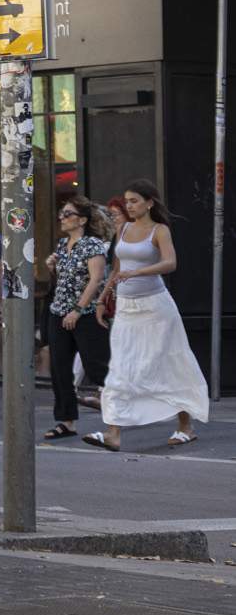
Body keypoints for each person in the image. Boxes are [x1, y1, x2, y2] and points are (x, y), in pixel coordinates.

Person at [89, 179, 208, 451]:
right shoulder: (123, 228)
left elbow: (170, 263)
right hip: (127, 308)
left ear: (149, 203)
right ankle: (113, 433)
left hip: (156, 308)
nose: (129, 206)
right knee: (120, 367)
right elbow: (117, 267)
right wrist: (102, 299)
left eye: (134, 201)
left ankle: (185, 426)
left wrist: (140, 271)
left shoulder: (159, 230)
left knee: (167, 364)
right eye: (127, 201)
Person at [42, 196, 109, 438]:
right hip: (58, 311)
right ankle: (66, 421)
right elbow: (64, 280)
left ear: (81, 220)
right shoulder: (63, 245)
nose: (62, 218)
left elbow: (96, 279)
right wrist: (53, 268)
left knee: (97, 366)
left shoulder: (92, 244)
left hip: (86, 314)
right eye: (61, 213)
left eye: (67, 214)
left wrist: (78, 310)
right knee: (59, 368)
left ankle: (123, 412)